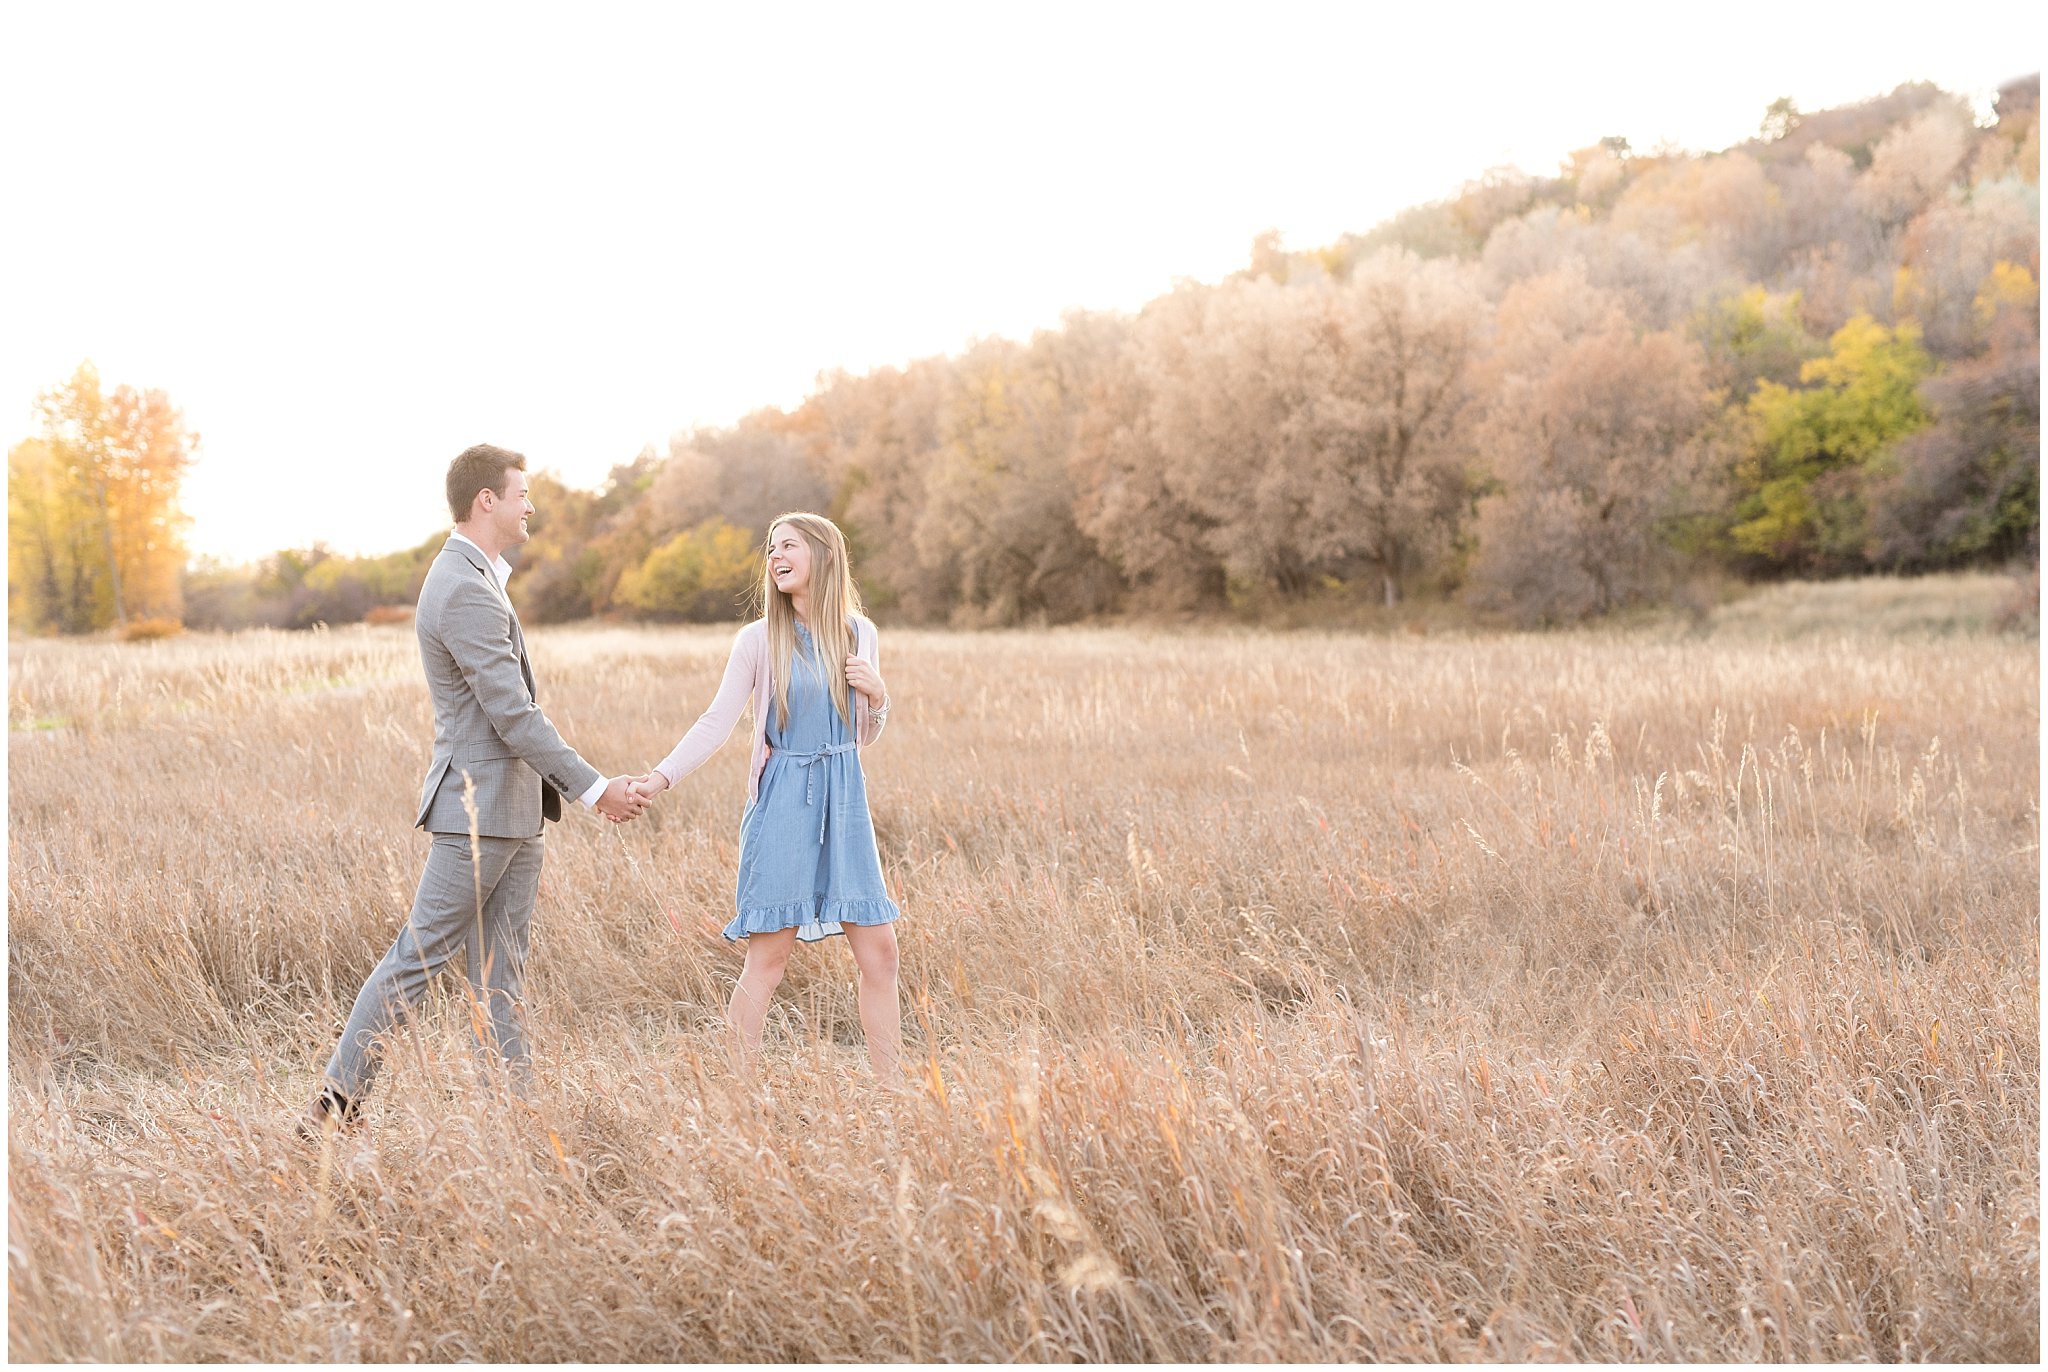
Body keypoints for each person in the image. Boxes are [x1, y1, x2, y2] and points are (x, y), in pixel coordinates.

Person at [301, 444, 648, 1137]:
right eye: (522, 494)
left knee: (501, 978)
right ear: (486, 501)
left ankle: (512, 1124)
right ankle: (332, 1112)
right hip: (477, 814)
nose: (531, 507)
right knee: (416, 962)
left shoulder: (480, 576)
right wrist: (594, 788)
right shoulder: (460, 585)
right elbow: (511, 713)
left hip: (514, 814)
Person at [629, 512, 902, 1085]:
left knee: (880, 953)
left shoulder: (860, 633)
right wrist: (660, 777)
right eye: (771, 548)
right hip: (784, 803)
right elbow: (717, 720)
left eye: (789, 546)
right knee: (769, 958)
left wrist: (879, 697)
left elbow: (863, 735)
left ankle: (893, 1092)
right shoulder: (758, 639)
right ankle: (738, 1092)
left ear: (823, 555)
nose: (775, 556)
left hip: (846, 799)